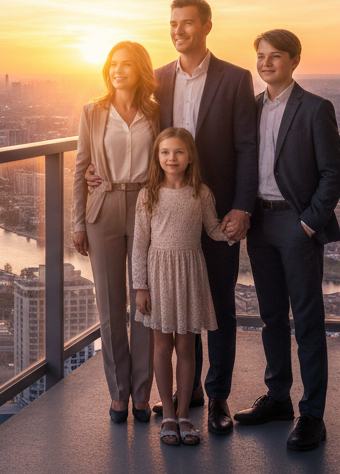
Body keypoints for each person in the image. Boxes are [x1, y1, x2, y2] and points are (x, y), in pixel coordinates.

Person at [91, 0, 257, 435]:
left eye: (187, 23)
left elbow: (246, 148)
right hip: (164, 212)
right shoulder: (158, 80)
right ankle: (187, 397)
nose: (178, 30)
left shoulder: (236, 79)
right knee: (174, 308)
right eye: (172, 24)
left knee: (218, 303)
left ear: (206, 26)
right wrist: (99, 169)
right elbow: (134, 136)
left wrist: (241, 206)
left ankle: (217, 394)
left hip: (214, 211)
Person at [231, 29, 340, 451]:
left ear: (295, 60)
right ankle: (278, 398)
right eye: (260, 56)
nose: (265, 63)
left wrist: (308, 224)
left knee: (308, 324)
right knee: (272, 317)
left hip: (296, 226)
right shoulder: (250, 108)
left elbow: (335, 173)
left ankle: (312, 414)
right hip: (258, 222)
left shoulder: (316, 109)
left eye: (275, 56)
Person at [72, 41, 160, 423]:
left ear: (140, 69)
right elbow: (80, 168)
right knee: (109, 308)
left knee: (145, 303)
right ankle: (118, 394)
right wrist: (78, 221)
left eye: (126, 64)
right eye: (112, 64)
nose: (118, 70)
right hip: (103, 208)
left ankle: (142, 394)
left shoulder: (156, 112)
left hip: (146, 207)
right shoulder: (93, 112)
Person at [133, 127, 235, 446]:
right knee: (162, 348)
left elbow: (213, 229)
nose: (171, 158)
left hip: (190, 273)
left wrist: (237, 230)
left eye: (178, 152)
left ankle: (184, 415)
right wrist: (140, 286)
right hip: (158, 274)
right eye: (165, 152)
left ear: (190, 156)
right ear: (157, 157)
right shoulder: (147, 194)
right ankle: (166, 417)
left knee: (186, 348)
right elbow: (139, 244)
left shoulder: (200, 192)